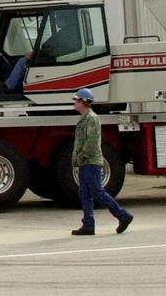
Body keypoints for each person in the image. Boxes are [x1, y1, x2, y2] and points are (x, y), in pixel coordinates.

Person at [71, 87, 133, 236]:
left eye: (76, 100)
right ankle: (88, 225)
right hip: (85, 163)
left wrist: (79, 157)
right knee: (84, 194)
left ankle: (123, 215)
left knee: (97, 192)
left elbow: (91, 143)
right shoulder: (84, 119)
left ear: (83, 102)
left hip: (91, 162)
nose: (74, 102)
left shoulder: (92, 119)